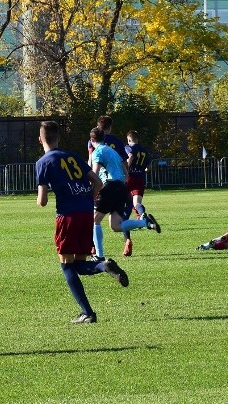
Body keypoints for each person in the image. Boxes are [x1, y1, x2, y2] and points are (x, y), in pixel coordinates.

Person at [36, 120, 129, 324]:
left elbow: (42, 201)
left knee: (66, 266)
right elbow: (97, 181)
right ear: (58, 138)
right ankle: (103, 266)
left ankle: (88, 312)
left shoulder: (43, 162)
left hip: (67, 216)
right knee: (79, 265)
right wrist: (89, 199)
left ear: (40, 139)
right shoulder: (73, 156)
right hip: (85, 213)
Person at [90, 127, 160, 261]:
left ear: (92, 140)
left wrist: (92, 191)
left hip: (110, 186)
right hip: (121, 187)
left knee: (95, 220)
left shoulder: (97, 151)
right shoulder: (114, 152)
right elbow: (126, 171)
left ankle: (99, 255)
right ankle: (145, 223)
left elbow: (95, 174)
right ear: (104, 138)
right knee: (116, 226)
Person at [122, 130, 151, 256]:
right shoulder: (144, 150)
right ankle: (142, 214)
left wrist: (127, 169)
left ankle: (128, 240)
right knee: (137, 202)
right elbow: (148, 168)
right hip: (140, 178)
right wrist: (142, 169)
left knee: (124, 212)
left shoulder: (128, 148)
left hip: (129, 178)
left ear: (129, 139)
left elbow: (130, 157)